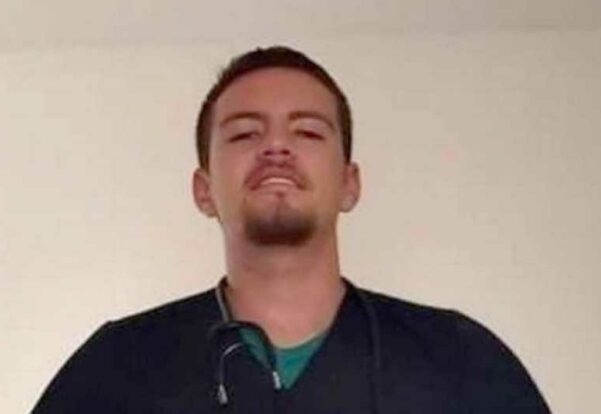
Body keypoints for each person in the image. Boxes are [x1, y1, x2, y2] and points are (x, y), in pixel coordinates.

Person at [31, 46, 551, 414]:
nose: (276, 147)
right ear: (203, 190)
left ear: (349, 184)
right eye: (244, 133)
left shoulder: (459, 360)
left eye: (307, 131)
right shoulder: (117, 367)